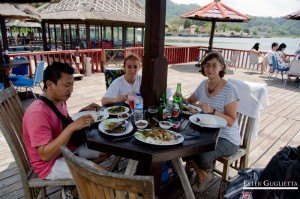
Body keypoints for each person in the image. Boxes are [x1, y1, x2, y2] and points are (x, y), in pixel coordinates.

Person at [23, 62, 107, 181]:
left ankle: (79, 183)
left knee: (105, 151)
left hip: (66, 149)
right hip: (49, 164)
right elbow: (44, 155)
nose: (71, 90)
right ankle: (83, 179)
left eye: (72, 85)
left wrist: (82, 111)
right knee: (104, 175)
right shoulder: (38, 113)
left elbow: (63, 123)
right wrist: (71, 127)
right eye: (67, 85)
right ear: (50, 84)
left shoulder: (59, 100)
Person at [183, 52, 240, 192]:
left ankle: (202, 174)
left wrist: (213, 110)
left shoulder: (230, 90)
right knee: (182, 145)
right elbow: (189, 102)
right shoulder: (204, 84)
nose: (210, 69)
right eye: (207, 65)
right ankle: (203, 173)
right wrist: (180, 99)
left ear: (221, 67)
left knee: (202, 155)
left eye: (214, 65)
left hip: (227, 138)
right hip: (205, 132)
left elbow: (232, 121)